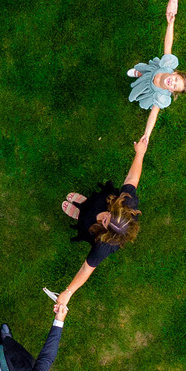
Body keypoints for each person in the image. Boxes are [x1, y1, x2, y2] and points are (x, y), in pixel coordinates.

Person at [52, 130, 152, 307]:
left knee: (87, 223)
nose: (105, 217)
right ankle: (85, 204)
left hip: (92, 227)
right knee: (95, 204)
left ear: (108, 234)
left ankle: (80, 215)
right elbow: (132, 178)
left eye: (105, 222)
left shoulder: (104, 245)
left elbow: (86, 269)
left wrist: (68, 292)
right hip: (105, 201)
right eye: (110, 214)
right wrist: (140, 153)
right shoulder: (127, 203)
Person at [128, 9, 186, 111]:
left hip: (149, 89)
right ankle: (139, 74)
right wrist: (170, 25)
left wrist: (148, 128)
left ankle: (139, 81)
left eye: (174, 86)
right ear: (175, 73)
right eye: (176, 79)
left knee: (140, 88)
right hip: (152, 73)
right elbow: (168, 45)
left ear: (171, 90)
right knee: (145, 72)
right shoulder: (168, 66)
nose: (172, 82)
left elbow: (154, 115)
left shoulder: (161, 96)